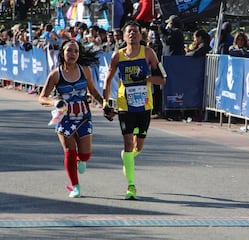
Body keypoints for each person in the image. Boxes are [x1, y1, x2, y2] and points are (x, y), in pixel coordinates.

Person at [102, 21, 166, 200]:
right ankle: (131, 186)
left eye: (135, 32)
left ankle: (127, 158)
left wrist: (147, 78)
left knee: (139, 146)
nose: (132, 34)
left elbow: (162, 80)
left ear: (141, 35)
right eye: (129, 32)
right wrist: (106, 102)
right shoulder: (118, 56)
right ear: (123, 37)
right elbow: (108, 81)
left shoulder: (148, 53)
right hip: (125, 105)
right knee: (128, 143)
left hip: (144, 105)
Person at [38, 40, 104, 197]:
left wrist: (105, 105)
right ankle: (75, 186)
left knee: (85, 154)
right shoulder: (55, 74)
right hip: (64, 119)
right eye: (69, 51)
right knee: (69, 151)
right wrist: (54, 102)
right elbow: (42, 97)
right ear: (62, 53)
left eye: (76, 51)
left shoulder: (85, 70)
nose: (73, 54)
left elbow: (93, 91)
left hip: (83, 117)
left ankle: (82, 160)